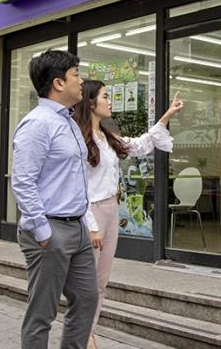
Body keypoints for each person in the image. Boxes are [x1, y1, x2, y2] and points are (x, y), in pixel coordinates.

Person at [73, 81, 184, 349]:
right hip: (92, 214)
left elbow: (140, 144)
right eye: (105, 96)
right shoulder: (78, 139)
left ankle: (89, 331)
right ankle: (81, 334)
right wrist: (91, 225)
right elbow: (77, 187)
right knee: (87, 281)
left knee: (101, 281)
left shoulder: (107, 137)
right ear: (90, 103)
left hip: (111, 211)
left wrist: (166, 116)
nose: (110, 101)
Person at [12, 50, 98, 349]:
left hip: (77, 228)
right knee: (42, 314)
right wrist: (42, 231)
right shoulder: (38, 123)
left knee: (87, 300)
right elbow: (23, 181)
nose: (81, 80)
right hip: (50, 229)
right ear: (59, 83)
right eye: (76, 74)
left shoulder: (69, 121)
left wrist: (85, 223)